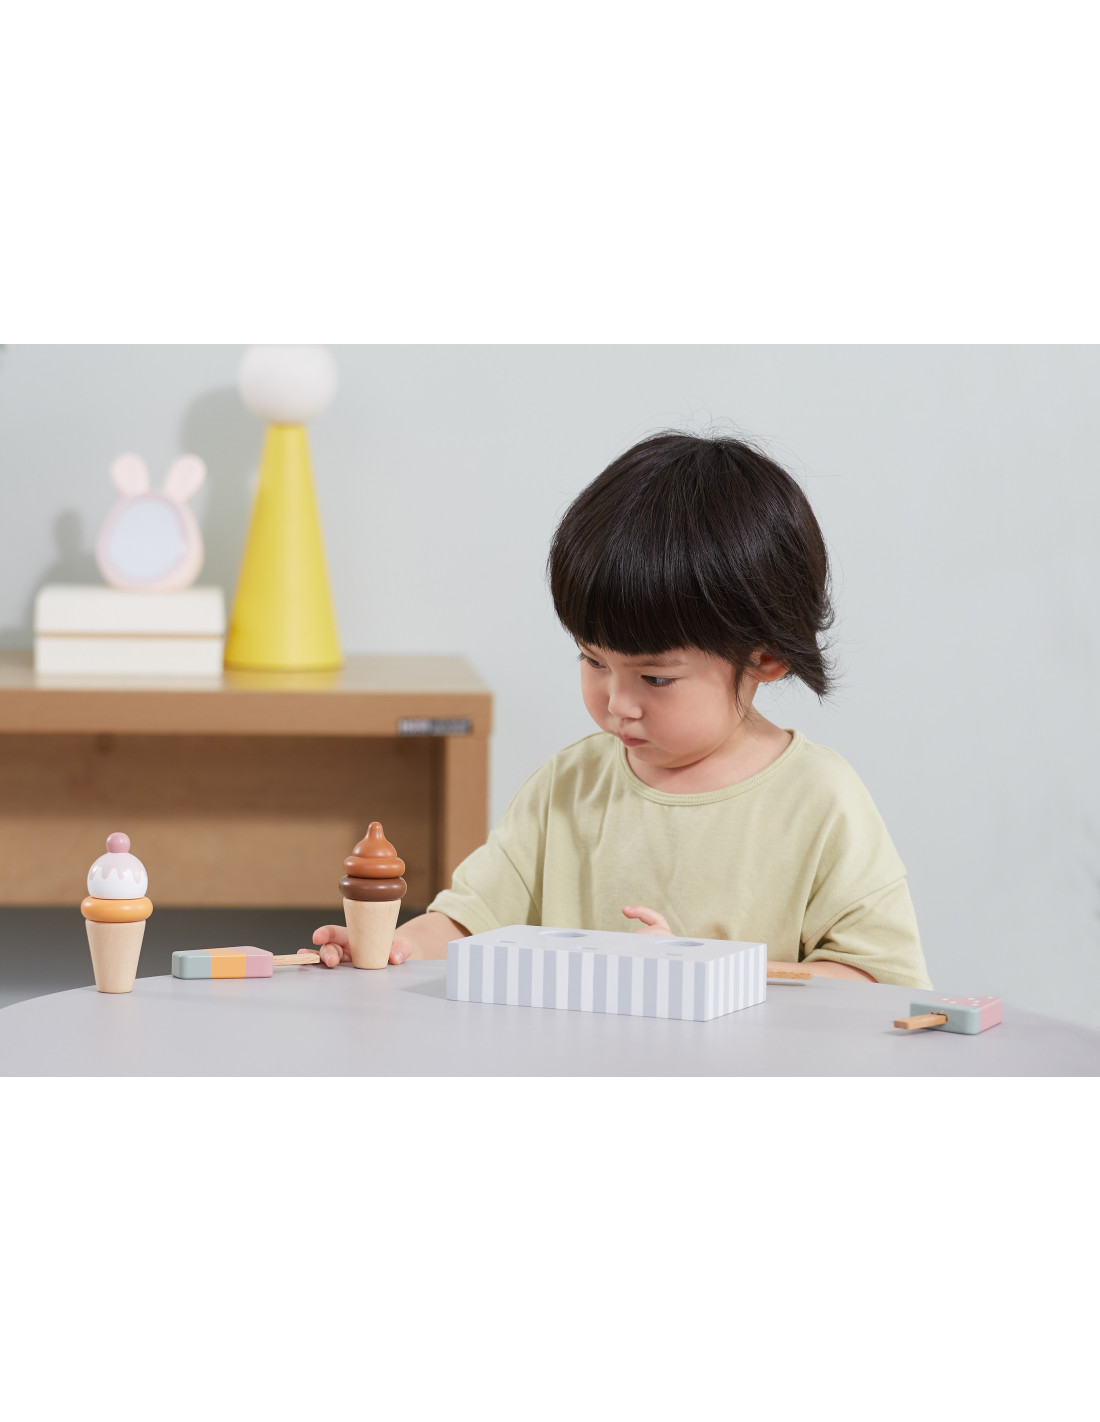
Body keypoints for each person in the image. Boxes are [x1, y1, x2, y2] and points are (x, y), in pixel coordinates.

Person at [313, 431, 932, 988]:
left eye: (656, 678)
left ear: (765, 658)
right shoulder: (568, 786)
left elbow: (877, 980)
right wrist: (398, 946)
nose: (616, 704)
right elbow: (470, 921)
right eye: (593, 660)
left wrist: (705, 971)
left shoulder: (821, 800)